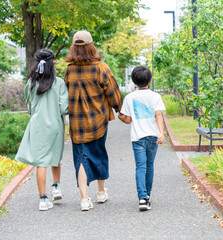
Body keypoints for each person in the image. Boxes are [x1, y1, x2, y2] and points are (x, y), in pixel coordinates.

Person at [64, 30, 123, 211]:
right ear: (91, 46)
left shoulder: (69, 71)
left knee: (81, 158)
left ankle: (84, 198)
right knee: (98, 154)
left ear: (74, 48)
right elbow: (113, 93)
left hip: (77, 123)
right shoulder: (101, 68)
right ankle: (100, 191)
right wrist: (120, 109)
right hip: (98, 121)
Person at [15, 48, 68, 211]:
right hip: (55, 125)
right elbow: (64, 108)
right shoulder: (58, 83)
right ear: (53, 63)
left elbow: (30, 107)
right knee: (55, 156)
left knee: (41, 163)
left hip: (38, 126)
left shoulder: (31, 83)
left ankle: (43, 200)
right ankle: (56, 187)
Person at [118, 65, 165, 211]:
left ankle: (142, 198)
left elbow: (128, 119)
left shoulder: (130, 97)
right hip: (153, 137)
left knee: (140, 166)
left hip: (138, 137)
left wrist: (120, 116)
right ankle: (148, 195)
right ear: (150, 80)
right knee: (150, 165)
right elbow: (158, 114)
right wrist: (161, 133)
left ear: (133, 81)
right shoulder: (155, 96)